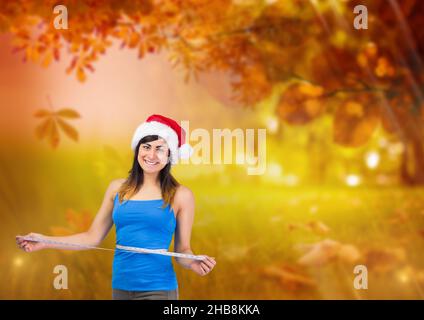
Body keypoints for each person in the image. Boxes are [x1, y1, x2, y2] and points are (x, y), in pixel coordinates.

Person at [16, 114, 216, 300]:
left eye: (160, 148)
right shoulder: (116, 189)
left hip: (159, 289)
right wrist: (44, 241)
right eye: (146, 146)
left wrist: (193, 262)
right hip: (120, 288)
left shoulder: (181, 195)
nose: (151, 154)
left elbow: (183, 250)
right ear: (138, 148)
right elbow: (91, 237)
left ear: (170, 154)